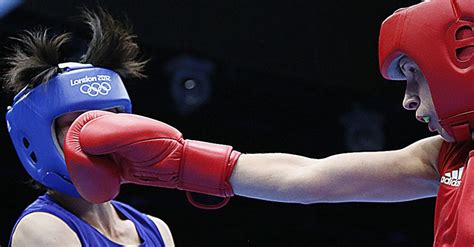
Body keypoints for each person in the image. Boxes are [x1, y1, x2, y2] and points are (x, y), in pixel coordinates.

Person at [62, 0, 474, 246]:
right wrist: (179, 163)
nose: (408, 99)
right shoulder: (445, 156)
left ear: (463, 57)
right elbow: (310, 178)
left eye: (414, 72)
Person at [5, 8, 174, 246]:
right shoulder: (42, 229)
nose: (99, 136)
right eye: (76, 123)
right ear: (40, 140)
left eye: (108, 120)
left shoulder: (157, 229)